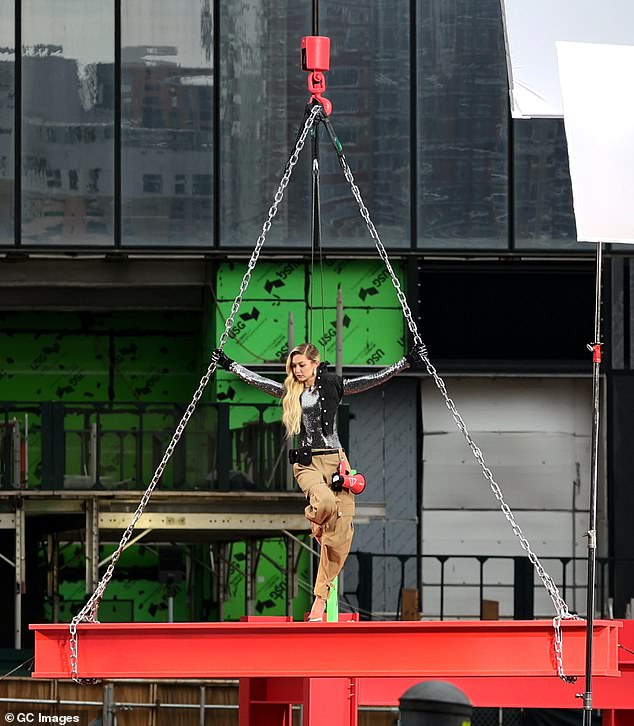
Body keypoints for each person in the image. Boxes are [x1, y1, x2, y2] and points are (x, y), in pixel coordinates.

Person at [213, 342, 421, 621]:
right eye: (293, 366)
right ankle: (315, 517)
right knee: (323, 502)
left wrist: (405, 362)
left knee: (342, 534)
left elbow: (369, 381)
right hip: (308, 462)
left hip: (337, 461)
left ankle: (320, 599)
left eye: (302, 365)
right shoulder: (292, 393)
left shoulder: (332, 385)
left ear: (315, 362)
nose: (297, 371)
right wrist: (230, 365)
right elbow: (260, 381)